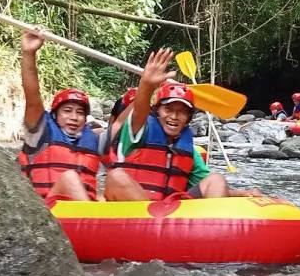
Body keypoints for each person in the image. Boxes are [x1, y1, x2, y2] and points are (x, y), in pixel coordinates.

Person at [105, 48, 261, 201]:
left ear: (188, 118)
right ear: (157, 111)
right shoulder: (140, 130)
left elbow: (208, 185)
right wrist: (147, 84)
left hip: (172, 214)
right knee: (116, 177)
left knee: (216, 179)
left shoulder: (189, 151)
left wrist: (240, 194)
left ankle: (213, 224)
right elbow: (139, 111)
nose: (174, 116)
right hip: (137, 210)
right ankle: (151, 224)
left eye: (181, 112)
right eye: (168, 109)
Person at [17, 28, 107, 203]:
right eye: (67, 111)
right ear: (55, 116)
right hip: (47, 212)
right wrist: (28, 53)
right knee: (69, 178)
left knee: (107, 195)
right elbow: (32, 97)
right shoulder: (40, 133)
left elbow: (127, 123)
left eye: (80, 113)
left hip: (79, 211)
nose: (74, 117)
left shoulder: (92, 139)